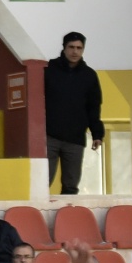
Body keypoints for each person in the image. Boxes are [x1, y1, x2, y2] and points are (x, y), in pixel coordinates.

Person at [44, 32, 104, 196]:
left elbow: (93, 107)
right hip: (49, 136)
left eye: (79, 48)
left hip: (75, 138)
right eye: (71, 47)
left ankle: (67, 218)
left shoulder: (89, 75)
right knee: (42, 183)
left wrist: (97, 133)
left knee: (71, 186)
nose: (75, 52)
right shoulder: (48, 70)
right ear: (64, 48)